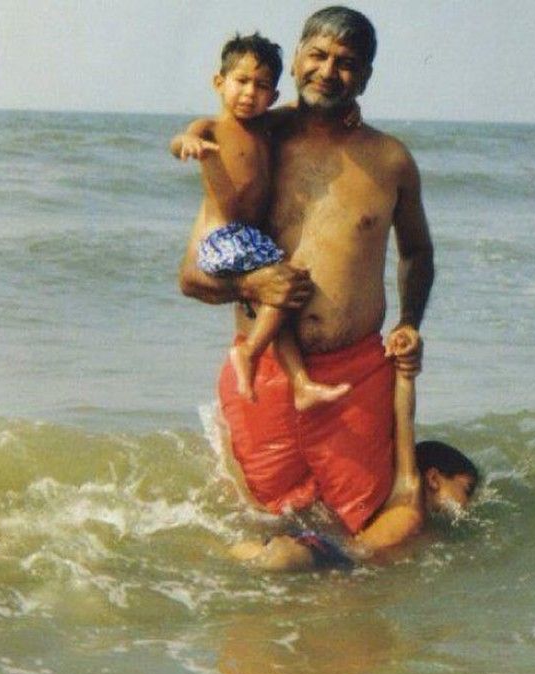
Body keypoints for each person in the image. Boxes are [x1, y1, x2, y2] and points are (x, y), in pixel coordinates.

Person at [179, 7, 435, 541]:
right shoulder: (252, 144)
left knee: (364, 539)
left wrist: (410, 322)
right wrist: (251, 284)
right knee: (263, 534)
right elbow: (191, 276)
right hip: (264, 373)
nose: (328, 71)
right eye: (317, 55)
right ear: (295, 61)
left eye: (346, 62)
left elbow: (416, 252)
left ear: (365, 76)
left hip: (354, 379)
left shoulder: (391, 160)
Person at [170, 33, 351, 410]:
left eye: (262, 85)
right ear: (219, 82)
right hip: (223, 237)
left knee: (280, 298)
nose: (250, 93)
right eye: (241, 81)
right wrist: (187, 144)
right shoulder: (211, 127)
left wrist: (345, 112)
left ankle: (300, 384)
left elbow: (302, 110)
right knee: (286, 284)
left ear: (272, 94)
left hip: (248, 238)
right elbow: (182, 138)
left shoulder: (267, 125)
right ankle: (250, 352)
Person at [230, 327, 480, 570]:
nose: (468, 502)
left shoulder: (400, 508)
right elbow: (404, 419)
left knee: (251, 552)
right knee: (281, 558)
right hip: (341, 556)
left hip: (338, 556)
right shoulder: (408, 494)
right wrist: (406, 376)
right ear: (434, 479)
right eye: (466, 489)